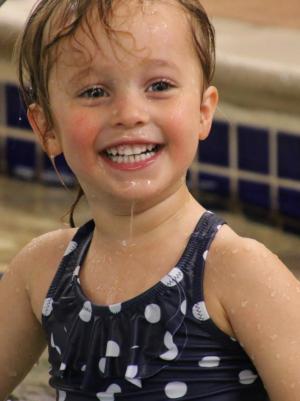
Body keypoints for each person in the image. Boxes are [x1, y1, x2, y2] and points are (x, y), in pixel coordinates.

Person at [1, 0, 299, 400]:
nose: (129, 113)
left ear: (202, 111)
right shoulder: (40, 272)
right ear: (46, 127)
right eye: (94, 91)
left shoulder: (238, 271)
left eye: (159, 86)